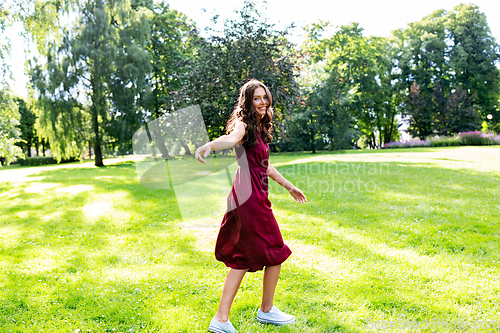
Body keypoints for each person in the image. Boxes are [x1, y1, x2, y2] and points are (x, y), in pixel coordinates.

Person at [195, 79, 307, 333]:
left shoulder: (258, 128)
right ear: (247, 101)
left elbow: (264, 164)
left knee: (259, 254)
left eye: (265, 97)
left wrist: (289, 186)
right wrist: (208, 146)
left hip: (255, 192)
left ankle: (250, 313)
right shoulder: (243, 125)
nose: (262, 102)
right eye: (256, 98)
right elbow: (229, 138)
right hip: (248, 195)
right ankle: (241, 315)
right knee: (270, 250)